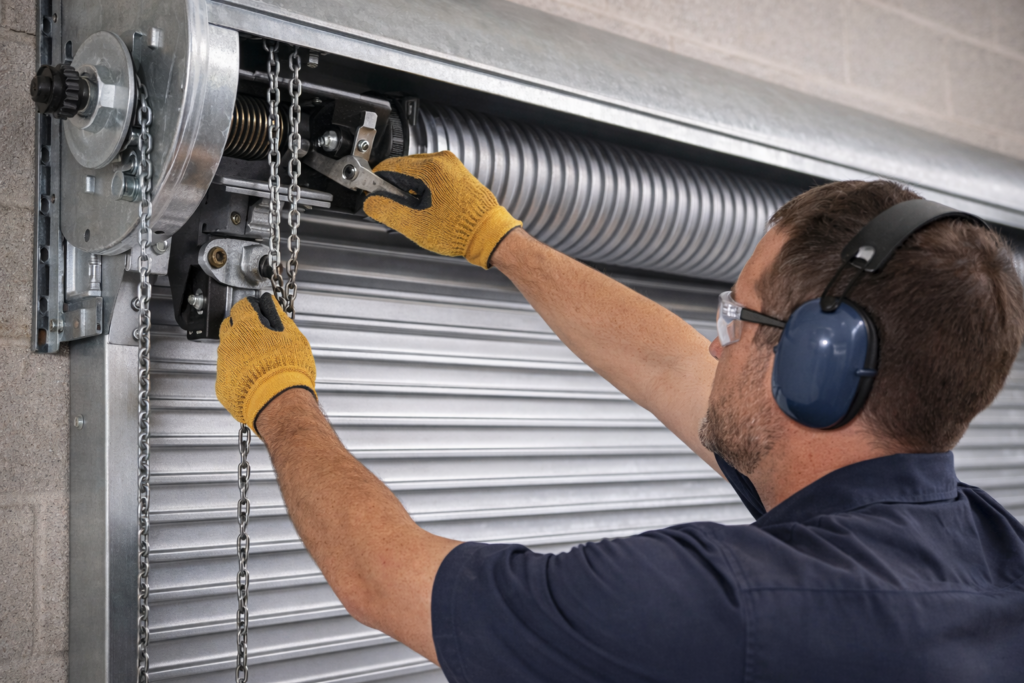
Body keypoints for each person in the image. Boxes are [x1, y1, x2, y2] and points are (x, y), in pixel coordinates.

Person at [215, 151, 1024, 682]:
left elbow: (380, 577)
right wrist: (495, 240)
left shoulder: (727, 605)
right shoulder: (985, 546)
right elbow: (668, 364)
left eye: (736, 319)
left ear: (823, 364)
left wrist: (278, 396)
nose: (716, 349)